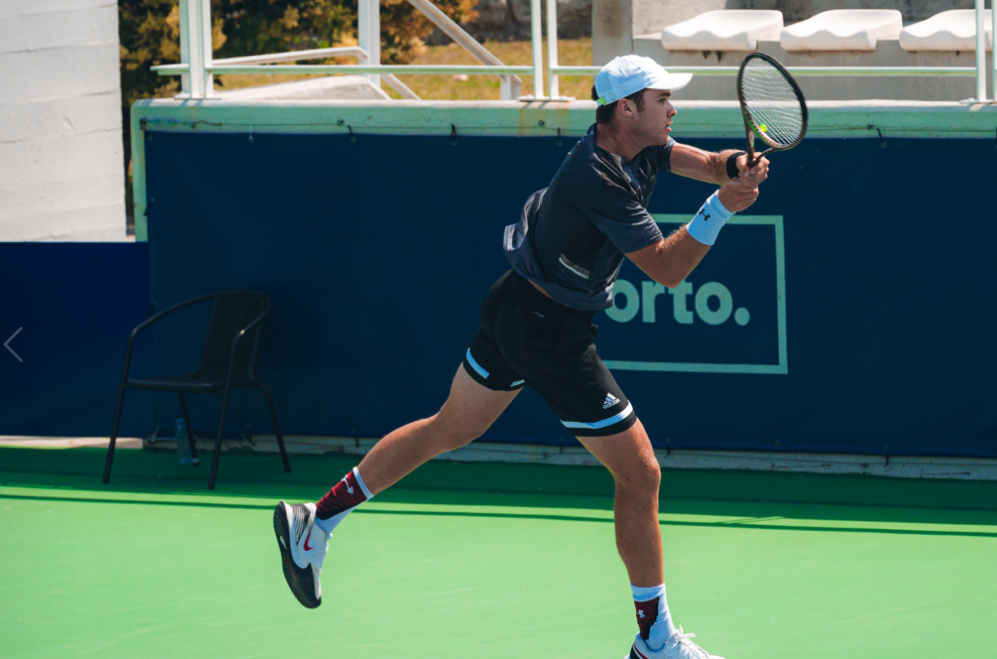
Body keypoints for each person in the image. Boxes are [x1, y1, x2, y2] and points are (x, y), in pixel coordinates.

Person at [273, 54, 769, 659]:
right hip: (550, 333)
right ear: (627, 108)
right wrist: (721, 208)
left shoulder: (637, 144)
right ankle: (655, 641)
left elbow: (710, 162)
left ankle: (314, 522)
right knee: (640, 475)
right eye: (662, 99)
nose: (673, 109)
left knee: (446, 429)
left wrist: (734, 167)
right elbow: (666, 269)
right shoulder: (600, 177)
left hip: (512, 307)